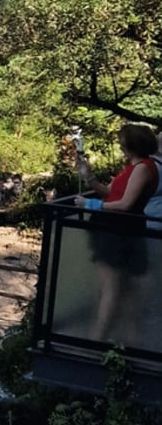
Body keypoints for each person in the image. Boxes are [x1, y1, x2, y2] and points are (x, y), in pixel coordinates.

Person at [75, 122, 160, 341]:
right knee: (121, 288)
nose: (120, 145)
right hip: (117, 229)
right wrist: (88, 176)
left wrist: (90, 205)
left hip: (119, 230)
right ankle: (129, 338)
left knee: (110, 287)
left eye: (123, 142)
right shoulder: (133, 167)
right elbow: (109, 192)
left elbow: (125, 204)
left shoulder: (143, 168)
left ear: (132, 144)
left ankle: (96, 338)